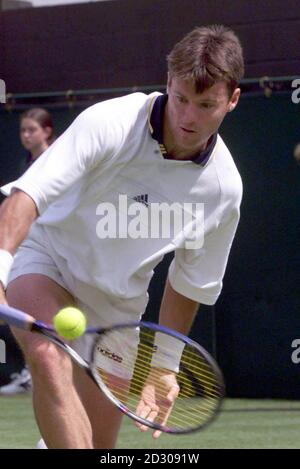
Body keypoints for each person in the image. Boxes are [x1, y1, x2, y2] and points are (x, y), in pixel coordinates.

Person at [0, 25, 244, 448]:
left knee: (98, 443)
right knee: (47, 354)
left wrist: (165, 365)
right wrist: (1, 265)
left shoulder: (223, 188)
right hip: (47, 255)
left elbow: (189, 281)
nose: (188, 118)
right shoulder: (109, 122)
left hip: (117, 303)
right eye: (181, 98)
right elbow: (28, 196)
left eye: (206, 105)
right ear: (168, 83)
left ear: (232, 100)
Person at [0, 108, 54, 395]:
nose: (26, 135)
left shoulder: (57, 160)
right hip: (26, 249)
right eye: (23, 130)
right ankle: (30, 371)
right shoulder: (27, 163)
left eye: (32, 129)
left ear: (47, 131)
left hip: (55, 249)